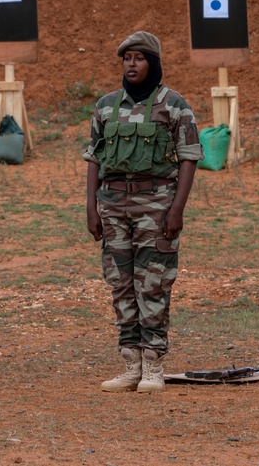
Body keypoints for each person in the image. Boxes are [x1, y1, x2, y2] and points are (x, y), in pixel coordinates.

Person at [84, 31, 202, 393]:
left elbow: (189, 158)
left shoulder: (174, 104)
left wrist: (176, 209)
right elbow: (94, 157)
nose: (131, 64)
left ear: (153, 63)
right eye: (126, 58)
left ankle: (153, 364)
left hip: (157, 205)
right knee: (120, 283)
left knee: (153, 283)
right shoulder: (107, 105)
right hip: (113, 205)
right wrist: (91, 207)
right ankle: (131, 364)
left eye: (139, 58)